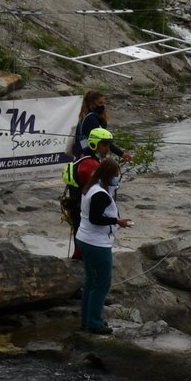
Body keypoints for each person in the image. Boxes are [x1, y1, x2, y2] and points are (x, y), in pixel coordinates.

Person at [75, 158, 128, 334]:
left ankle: (87, 320)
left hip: (84, 238)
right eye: (115, 176)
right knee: (101, 284)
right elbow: (96, 218)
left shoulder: (91, 187)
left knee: (90, 282)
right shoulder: (100, 194)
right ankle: (94, 323)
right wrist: (117, 221)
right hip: (96, 243)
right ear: (108, 175)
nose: (117, 179)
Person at [61, 127, 117, 257]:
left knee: (79, 239)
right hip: (83, 209)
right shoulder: (90, 164)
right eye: (104, 144)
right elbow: (97, 191)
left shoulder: (83, 155)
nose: (108, 148)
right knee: (84, 247)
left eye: (109, 144)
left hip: (77, 205)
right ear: (94, 144)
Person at [73, 90, 129, 162]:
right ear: (91, 103)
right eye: (100, 103)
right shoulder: (91, 119)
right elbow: (103, 140)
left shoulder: (92, 116)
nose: (103, 106)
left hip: (88, 153)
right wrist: (122, 154)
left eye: (104, 103)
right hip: (87, 155)